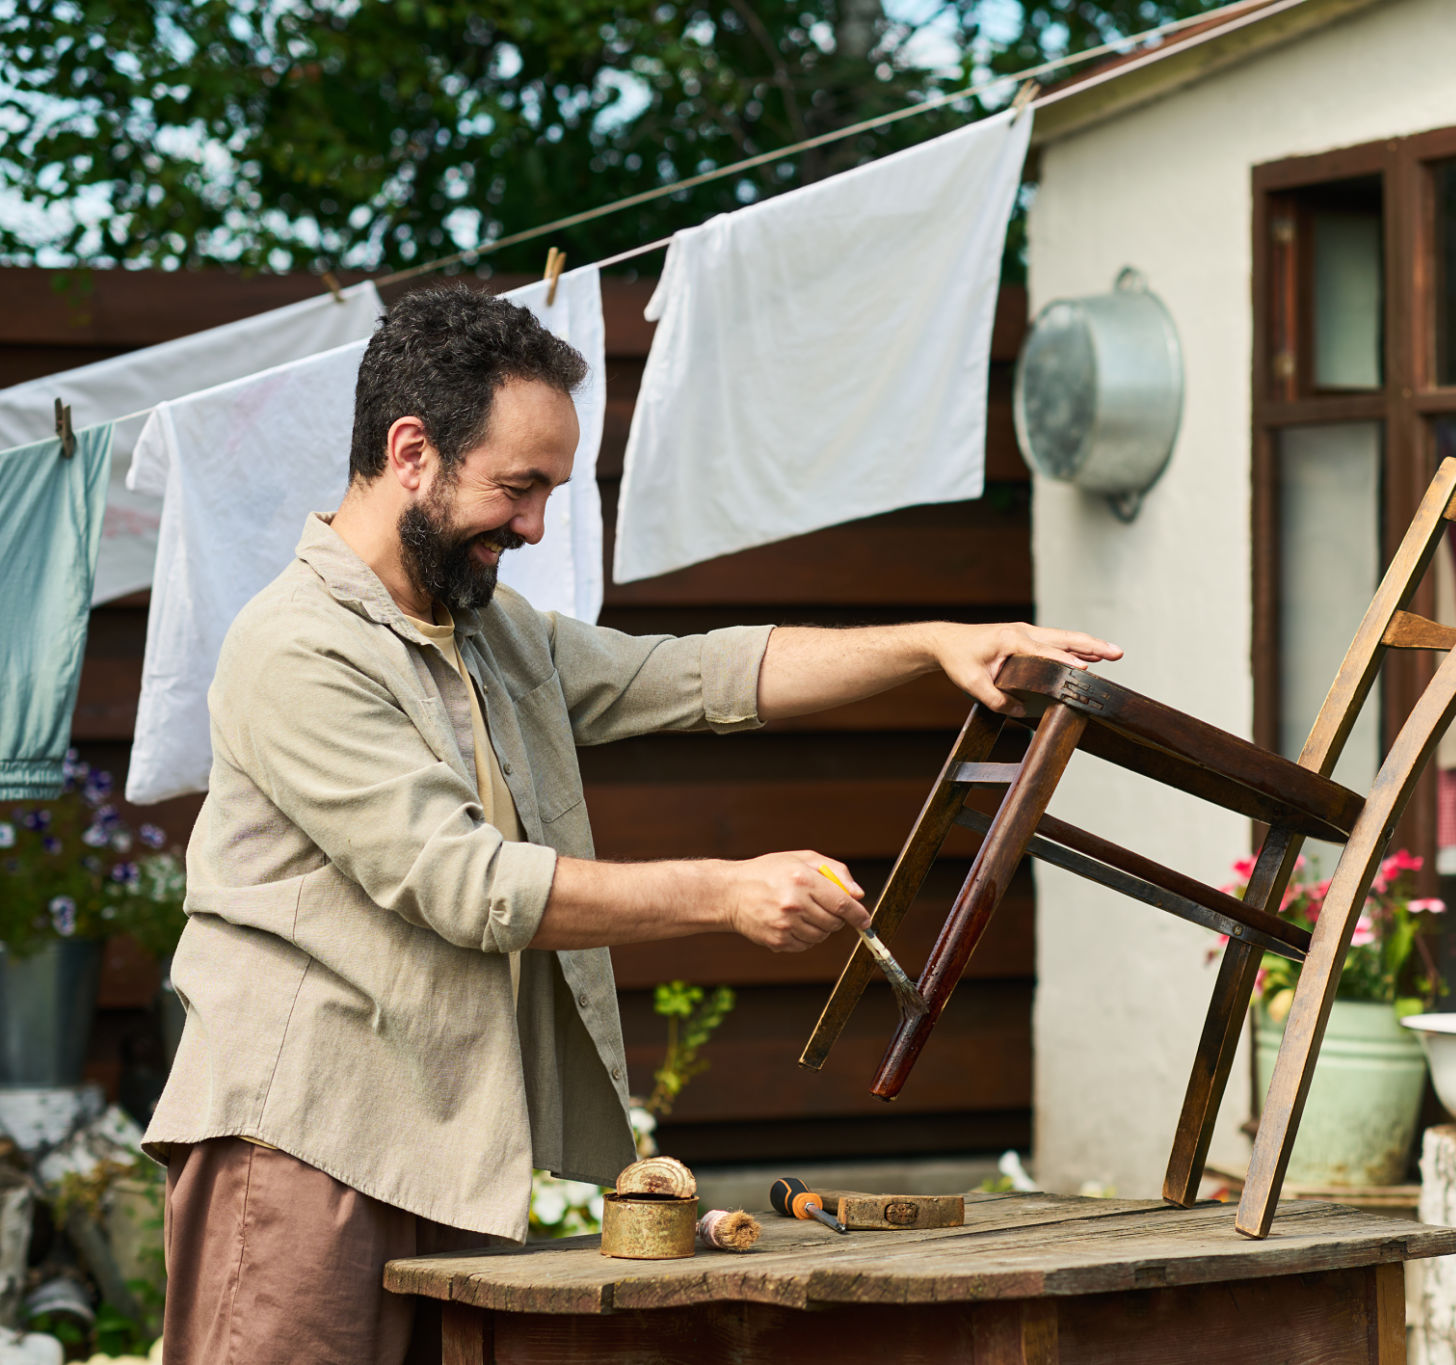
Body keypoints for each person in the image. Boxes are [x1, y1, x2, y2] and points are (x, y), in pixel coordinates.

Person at [140, 286, 1119, 1364]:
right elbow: (470, 885)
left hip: (446, 1148)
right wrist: (724, 892)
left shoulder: (488, 632)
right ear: (410, 450)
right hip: (300, 1151)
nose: (534, 526)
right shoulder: (298, 646)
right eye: (518, 488)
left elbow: (696, 675)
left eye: (550, 492)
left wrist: (933, 642)